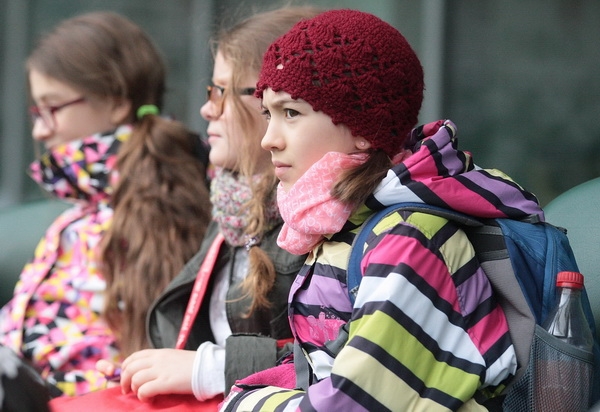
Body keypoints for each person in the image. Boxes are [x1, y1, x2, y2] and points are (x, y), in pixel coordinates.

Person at [220, 9, 546, 411]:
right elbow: (327, 369)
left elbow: (353, 403)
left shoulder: (405, 238)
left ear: (361, 130)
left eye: (292, 113)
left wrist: (244, 403)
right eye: (267, 113)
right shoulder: (348, 223)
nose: (269, 138)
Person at [93, 6, 322, 404]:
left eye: (221, 91)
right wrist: (153, 368)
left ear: (279, 101)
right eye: (208, 91)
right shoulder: (233, 205)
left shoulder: (329, 220)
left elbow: (343, 366)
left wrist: (209, 368)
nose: (207, 109)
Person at [0, 11, 212, 397]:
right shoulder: (85, 210)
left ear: (115, 104)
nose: (40, 129)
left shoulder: (163, 201)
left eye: (53, 107)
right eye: (36, 112)